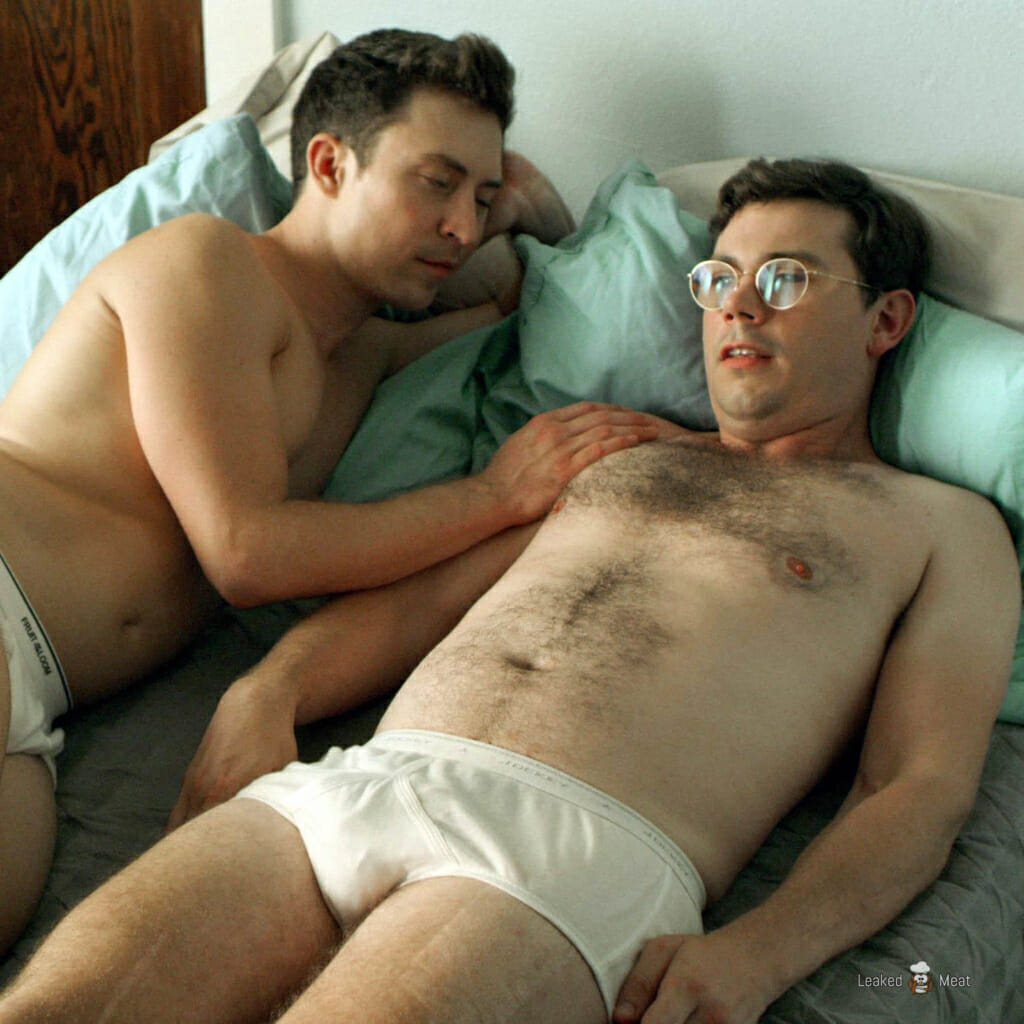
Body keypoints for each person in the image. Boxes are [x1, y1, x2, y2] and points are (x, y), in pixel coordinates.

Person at [1, 157, 1018, 1024]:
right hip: (363, 780)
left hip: (571, 857)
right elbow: (417, 605)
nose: (738, 306)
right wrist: (267, 691)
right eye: (717, 278)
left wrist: (757, 954)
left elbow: (917, 788)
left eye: (786, 278)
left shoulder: (942, 526)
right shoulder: (613, 452)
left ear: (887, 317)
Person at [0, 27, 662, 954]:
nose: (461, 226)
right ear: (328, 164)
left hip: (44, 698)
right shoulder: (206, 264)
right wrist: (496, 495)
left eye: (477, 198)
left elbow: (530, 298)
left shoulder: (364, 354)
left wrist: (526, 208)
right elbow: (244, 553)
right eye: (435, 183)